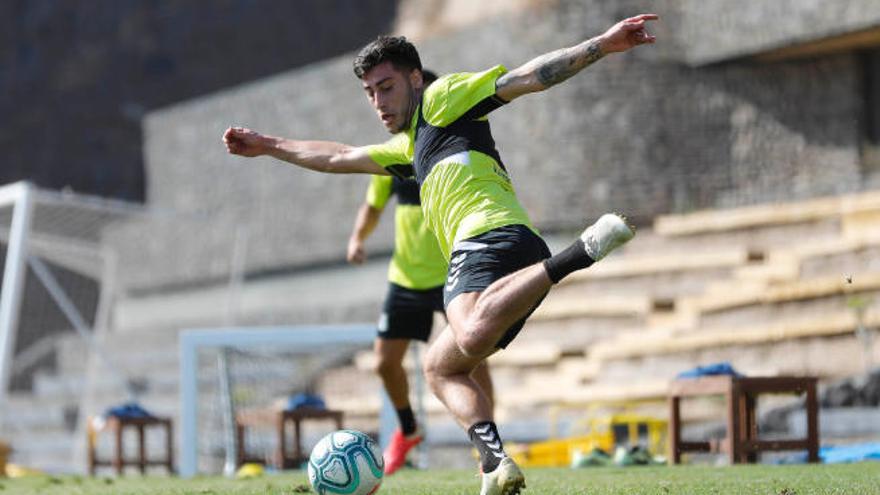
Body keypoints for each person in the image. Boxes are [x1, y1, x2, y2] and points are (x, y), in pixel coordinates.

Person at [224, 14, 657, 494]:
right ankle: (495, 464)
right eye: (369, 93)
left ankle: (578, 253)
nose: (378, 102)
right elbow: (337, 157)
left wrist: (600, 44)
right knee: (440, 366)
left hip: (488, 240)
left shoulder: (442, 99)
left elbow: (527, 77)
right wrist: (268, 145)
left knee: (467, 334)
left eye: (386, 87)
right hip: (509, 253)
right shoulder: (408, 148)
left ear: (414, 78)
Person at [348, 71, 497, 475]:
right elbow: (373, 205)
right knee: (384, 362)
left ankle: (487, 440)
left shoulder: (452, 144)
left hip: (453, 270)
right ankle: (409, 430)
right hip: (406, 276)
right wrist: (358, 238)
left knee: (474, 355)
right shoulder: (397, 152)